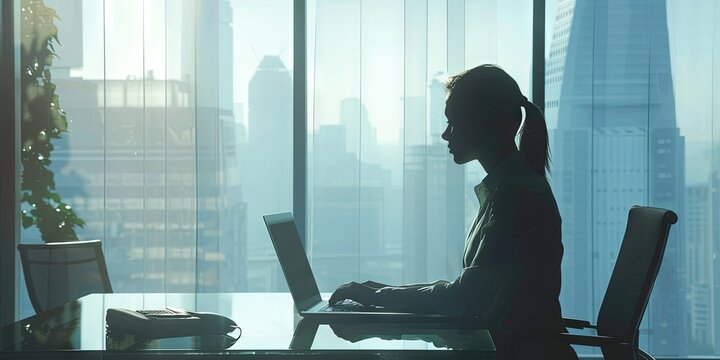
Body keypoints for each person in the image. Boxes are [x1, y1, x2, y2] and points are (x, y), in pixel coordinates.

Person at [329, 64, 578, 359]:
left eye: (454, 122)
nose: (446, 135)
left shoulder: (517, 197)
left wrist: (377, 297)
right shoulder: (509, 190)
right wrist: (381, 293)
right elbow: (467, 290)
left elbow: (463, 298)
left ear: (487, 124)